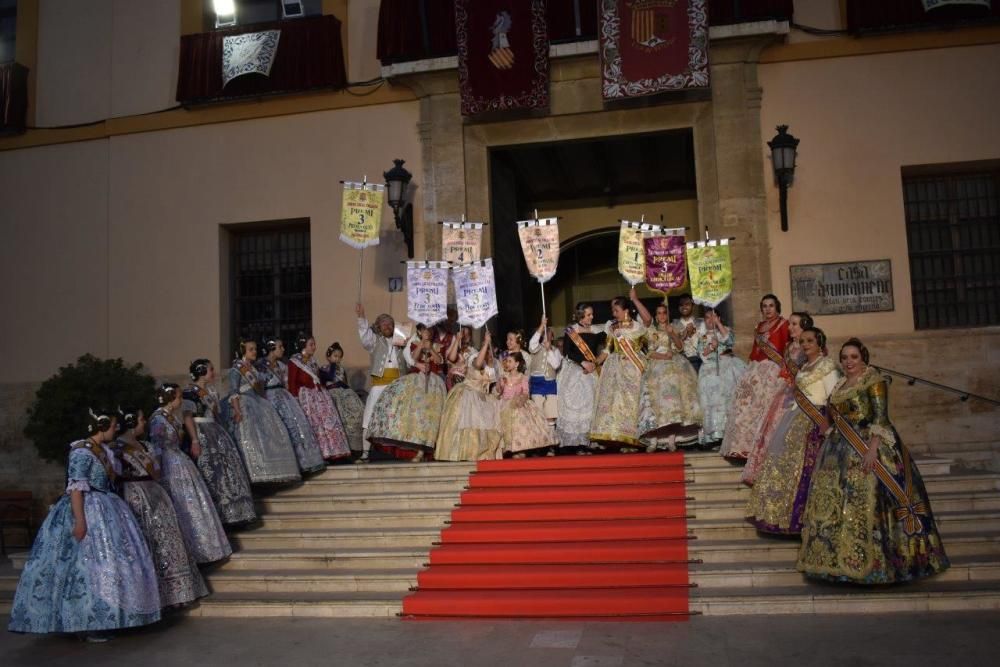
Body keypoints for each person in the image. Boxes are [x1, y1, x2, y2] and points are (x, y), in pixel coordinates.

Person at [797, 339, 949, 583]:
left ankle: (881, 566)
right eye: (845, 357)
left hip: (869, 445)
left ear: (863, 358)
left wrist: (872, 450)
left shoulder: (874, 381)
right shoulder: (839, 386)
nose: (848, 362)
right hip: (839, 450)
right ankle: (834, 563)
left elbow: (881, 417)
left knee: (872, 503)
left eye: (854, 357)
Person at [8, 408, 161, 638]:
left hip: (107, 507)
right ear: (101, 426)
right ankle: (85, 623)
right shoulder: (81, 452)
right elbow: (76, 490)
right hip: (88, 510)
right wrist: (80, 522)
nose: (116, 429)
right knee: (84, 568)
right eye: (112, 425)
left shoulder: (103, 450)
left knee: (109, 565)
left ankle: (111, 617)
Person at [744, 327, 839, 534]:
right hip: (796, 416)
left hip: (815, 419)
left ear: (820, 343)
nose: (805, 345)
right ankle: (777, 515)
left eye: (810, 341)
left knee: (804, 467)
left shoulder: (827, 365)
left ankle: (801, 520)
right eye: (803, 341)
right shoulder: (805, 366)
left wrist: (827, 422)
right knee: (781, 461)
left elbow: (833, 396)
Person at [114, 407, 208, 608]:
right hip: (134, 497)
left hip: (156, 495)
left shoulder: (146, 445)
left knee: (168, 541)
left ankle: (176, 594)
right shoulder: (117, 449)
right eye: (140, 419)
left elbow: (157, 471)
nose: (144, 422)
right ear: (131, 423)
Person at [149, 384, 231, 564]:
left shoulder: (170, 416)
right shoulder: (157, 419)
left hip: (179, 460)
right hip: (169, 464)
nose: (181, 400)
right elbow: (156, 448)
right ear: (171, 398)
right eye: (178, 397)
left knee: (193, 501)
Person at [740, 311, 813, 484]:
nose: (790, 327)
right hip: (785, 392)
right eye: (790, 323)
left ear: (804, 326)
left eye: (795, 324)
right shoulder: (789, 347)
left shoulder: (808, 347)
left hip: (800, 396)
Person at [182, 359, 256, 525]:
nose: (213, 373)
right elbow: (187, 417)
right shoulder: (190, 392)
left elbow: (216, 414)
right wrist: (194, 440)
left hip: (215, 432)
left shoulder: (211, 390)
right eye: (210, 370)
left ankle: (234, 514)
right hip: (201, 433)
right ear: (201, 372)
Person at [719, 294, 791, 460]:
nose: (768, 309)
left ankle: (762, 448)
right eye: (764, 306)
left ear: (777, 307)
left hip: (773, 371)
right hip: (756, 369)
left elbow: (787, 351)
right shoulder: (759, 326)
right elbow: (754, 351)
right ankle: (742, 447)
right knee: (742, 403)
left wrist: (785, 372)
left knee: (763, 407)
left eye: (771, 305)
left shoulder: (784, 324)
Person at [223, 338, 301, 483]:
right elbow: (233, 392)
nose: (254, 352)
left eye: (255, 349)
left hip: (259, 403)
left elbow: (260, 388)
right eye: (251, 349)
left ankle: (272, 472)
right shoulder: (236, 369)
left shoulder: (254, 369)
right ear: (243, 352)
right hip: (245, 405)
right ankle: (255, 474)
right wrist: (238, 411)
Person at [367, 323, 447, 460]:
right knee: (413, 413)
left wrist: (431, 349)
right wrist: (422, 344)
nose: (428, 332)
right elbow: (412, 359)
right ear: (420, 332)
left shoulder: (437, 346)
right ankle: (415, 447)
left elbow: (439, 361)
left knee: (429, 416)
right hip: (416, 381)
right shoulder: (415, 343)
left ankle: (425, 449)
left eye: (430, 330)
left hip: (433, 383)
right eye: (425, 330)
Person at [590, 289, 651, 449]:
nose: (614, 313)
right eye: (613, 310)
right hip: (615, 369)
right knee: (615, 403)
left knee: (633, 404)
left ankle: (634, 439)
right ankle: (616, 437)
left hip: (634, 369)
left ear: (626, 310)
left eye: (616, 310)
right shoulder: (613, 328)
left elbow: (649, 322)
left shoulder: (638, 327)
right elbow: (606, 351)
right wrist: (595, 363)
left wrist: (635, 299)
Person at [638, 302, 703, 451]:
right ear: (655, 316)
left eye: (664, 313)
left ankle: (672, 438)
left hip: (675, 363)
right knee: (656, 401)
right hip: (657, 364)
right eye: (659, 313)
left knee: (675, 401)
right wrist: (662, 356)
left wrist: (672, 333)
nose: (662, 316)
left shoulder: (674, 328)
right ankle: (653, 437)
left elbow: (680, 347)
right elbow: (648, 352)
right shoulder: (650, 331)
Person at [257, 338, 326, 473]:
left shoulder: (282, 365)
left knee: (296, 426)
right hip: (270, 398)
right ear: (271, 349)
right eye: (280, 346)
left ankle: (304, 462)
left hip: (285, 398)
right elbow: (259, 386)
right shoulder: (261, 366)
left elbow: (287, 383)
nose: (283, 349)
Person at [435, 329, 501, 461]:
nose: (488, 351)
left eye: (490, 348)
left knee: (483, 426)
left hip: (484, 398)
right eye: (486, 348)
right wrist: (485, 344)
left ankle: (481, 453)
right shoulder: (474, 356)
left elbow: (495, 383)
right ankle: (462, 452)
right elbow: (477, 364)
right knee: (466, 422)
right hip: (468, 393)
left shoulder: (495, 365)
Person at [287, 334, 353, 463]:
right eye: (311, 344)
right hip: (306, 397)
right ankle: (322, 455)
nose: (314, 347)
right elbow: (292, 382)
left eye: (314, 344)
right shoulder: (294, 361)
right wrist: (295, 401)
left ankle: (336, 453)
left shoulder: (312, 361)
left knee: (330, 423)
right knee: (315, 426)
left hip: (320, 395)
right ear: (303, 345)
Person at [356, 303, 408, 463]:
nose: (387, 326)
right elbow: (364, 337)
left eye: (390, 323)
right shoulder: (374, 341)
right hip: (379, 385)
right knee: (369, 417)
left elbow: (410, 358)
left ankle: (402, 452)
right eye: (384, 323)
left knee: (400, 419)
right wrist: (361, 317)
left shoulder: (401, 340)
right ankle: (365, 452)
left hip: (398, 386)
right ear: (378, 326)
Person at [557, 303, 607, 453]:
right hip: (574, 369)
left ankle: (590, 440)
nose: (592, 317)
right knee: (574, 404)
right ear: (580, 315)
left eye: (592, 314)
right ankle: (576, 442)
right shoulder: (571, 331)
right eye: (588, 315)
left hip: (591, 370)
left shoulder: (597, 330)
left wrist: (596, 361)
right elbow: (567, 352)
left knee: (591, 404)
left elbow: (607, 346)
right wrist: (583, 362)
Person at [695, 307, 746, 448]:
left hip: (727, 368)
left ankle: (729, 435)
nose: (710, 320)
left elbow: (729, 341)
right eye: (707, 317)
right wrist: (712, 347)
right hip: (709, 370)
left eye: (712, 316)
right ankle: (714, 435)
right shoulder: (702, 336)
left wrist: (719, 325)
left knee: (727, 400)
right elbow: (702, 354)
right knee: (711, 402)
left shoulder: (725, 330)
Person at [498, 351, 557, 457]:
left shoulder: (523, 377)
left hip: (518, 403)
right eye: (506, 361)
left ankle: (519, 449)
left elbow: (526, 392)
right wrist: (500, 383)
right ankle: (507, 448)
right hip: (504, 404)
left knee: (520, 419)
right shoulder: (504, 376)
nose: (507, 363)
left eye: (510, 361)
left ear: (516, 364)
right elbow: (500, 392)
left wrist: (520, 399)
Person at [319, 342, 365, 454]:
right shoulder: (323, 368)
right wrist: (333, 365)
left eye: (339, 357)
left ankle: (354, 447)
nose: (338, 359)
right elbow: (328, 378)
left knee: (354, 415)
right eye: (335, 356)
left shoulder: (342, 370)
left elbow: (345, 383)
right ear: (328, 356)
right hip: (332, 396)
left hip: (344, 395)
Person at [527, 317, 562, 424]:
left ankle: (551, 437)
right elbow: (532, 344)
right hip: (536, 383)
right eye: (544, 332)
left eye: (549, 333)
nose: (546, 335)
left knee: (550, 413)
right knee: (538, 413)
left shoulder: (556, 351)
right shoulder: (535, 347)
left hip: (550, 383)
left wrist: (549, 350)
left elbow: (556, 365)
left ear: (552, 336)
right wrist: (542, 325)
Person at [671, 294, 705, 372]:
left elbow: (706, 342)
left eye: (687, 304)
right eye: (681, 305)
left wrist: (694, 334)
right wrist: (684, 335)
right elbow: (673, 347)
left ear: (692, 306)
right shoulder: (673, 325)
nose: (684, 307)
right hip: (681, 363)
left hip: (699, 361)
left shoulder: (701, 323)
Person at [445, 325, 476, 390]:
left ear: (470, 337)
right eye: (463, 335)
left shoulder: (473, 351)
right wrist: (457, 340)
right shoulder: (454, 346)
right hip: (452, 382)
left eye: (467, 335)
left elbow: (473, 368)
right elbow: (451, 358)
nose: (465, 338)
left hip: (466, 382)